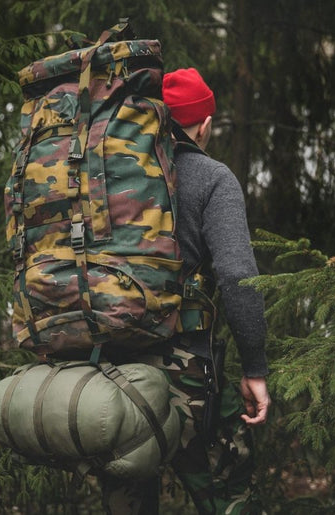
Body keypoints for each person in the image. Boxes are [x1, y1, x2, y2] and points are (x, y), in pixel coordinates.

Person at [100, 68, 271, 515]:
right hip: (189, 380)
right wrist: (254, 365)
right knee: (230, 497)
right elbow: (237, 278)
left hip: (112, 378)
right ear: (205, 123)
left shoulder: (107, 176)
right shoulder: (213, 177)